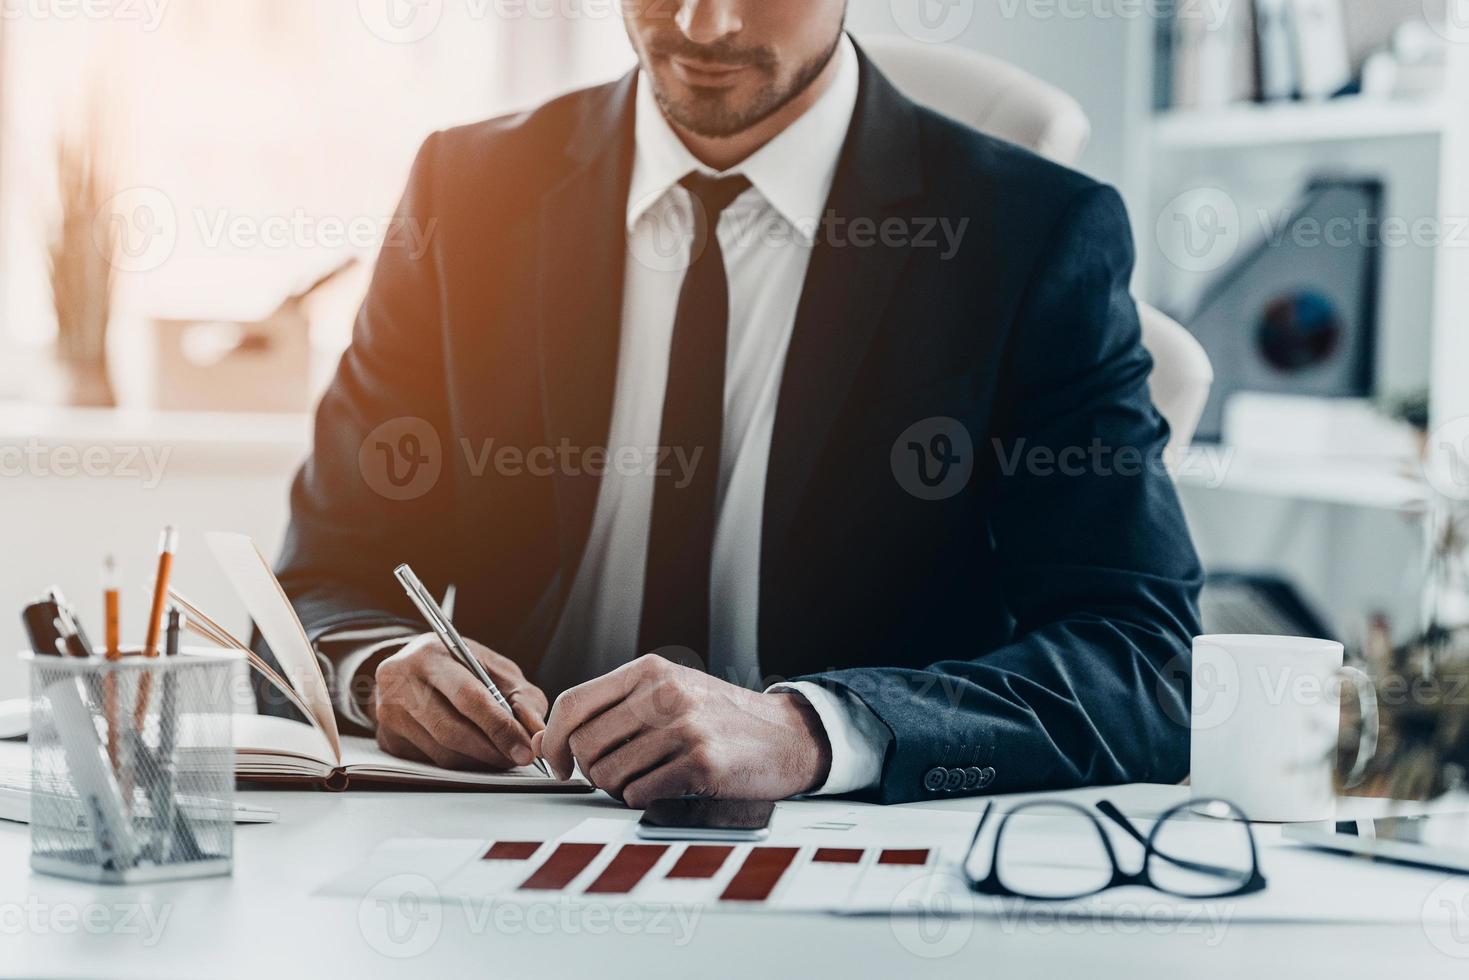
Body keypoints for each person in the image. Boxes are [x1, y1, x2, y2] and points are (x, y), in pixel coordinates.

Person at [269, 0, 1203, 807]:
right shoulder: (467, 193)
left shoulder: (1029, 234)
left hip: (853, 850)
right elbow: (325, 576)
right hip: (508, 820)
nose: (701, 25)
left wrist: (816, 731)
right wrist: (375, 668)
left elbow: (1144, 663)